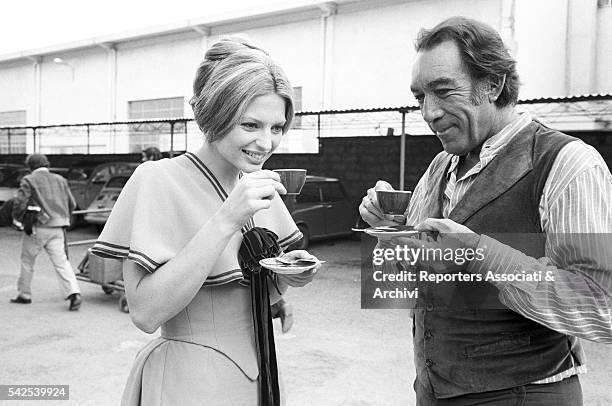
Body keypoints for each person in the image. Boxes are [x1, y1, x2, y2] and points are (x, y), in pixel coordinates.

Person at [359, 17, 612, 405]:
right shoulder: (439, 167)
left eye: (443, 91)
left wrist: (479, 253)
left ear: (492, 84)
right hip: (434, 390)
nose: (429, 113)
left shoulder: (568, 164)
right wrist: (390, 234)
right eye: (419, 98)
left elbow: (598, 305)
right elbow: (410, 286)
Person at [90, 37, 318, 406]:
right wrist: (227, 217)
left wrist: (289, 280)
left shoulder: (258, 186)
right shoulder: (157, 178)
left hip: (261, 373)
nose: (266, 142)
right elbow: (146, 313)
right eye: (251, 125)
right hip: (191, 381)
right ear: (215, 116)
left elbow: (254, 291)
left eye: (277, 127)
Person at [10, 153, 82, 311]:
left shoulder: (29, 180)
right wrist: (64, 218)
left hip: (38, 227)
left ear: (30, 166)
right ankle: (74, 293)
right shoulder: (60, 180)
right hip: (58, 227)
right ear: (46, 164)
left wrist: (17, 219)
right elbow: (72, 203)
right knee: (61, 262)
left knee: (27, 261)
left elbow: (20, 202)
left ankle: (24, 294)